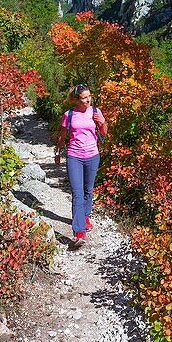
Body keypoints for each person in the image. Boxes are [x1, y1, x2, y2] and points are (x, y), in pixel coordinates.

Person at [55, 84, 108, 248]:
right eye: (84, 97)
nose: (88, 100)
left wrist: (103, 122)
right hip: (74, 157)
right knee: (77, 193)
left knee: (88, 190)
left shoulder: (95, 112)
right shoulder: (69, 115)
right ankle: (79, 232)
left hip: (92, 156)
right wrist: (57, 153)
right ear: (77, 99)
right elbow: (62, 136)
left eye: (89, 96)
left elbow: (104, 133)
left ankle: (85, 216)